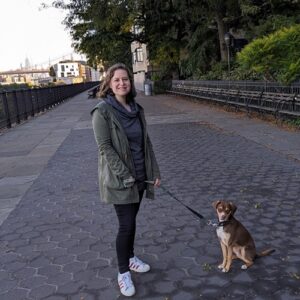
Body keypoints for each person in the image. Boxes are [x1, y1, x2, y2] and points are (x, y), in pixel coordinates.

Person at [91, 63, 161, 297]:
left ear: (130, 83)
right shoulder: (102, 112)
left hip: (141, 176)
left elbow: (146, 142)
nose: (122, 83)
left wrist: (153, 172)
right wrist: (126, 175)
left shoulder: (136, 109)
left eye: (125, 79)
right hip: (121, 179)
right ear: (109, 84)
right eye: (117, 80)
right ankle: (123, 273)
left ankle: (130, 258)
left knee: (132, 222)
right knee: (126, 225)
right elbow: (105, 148)